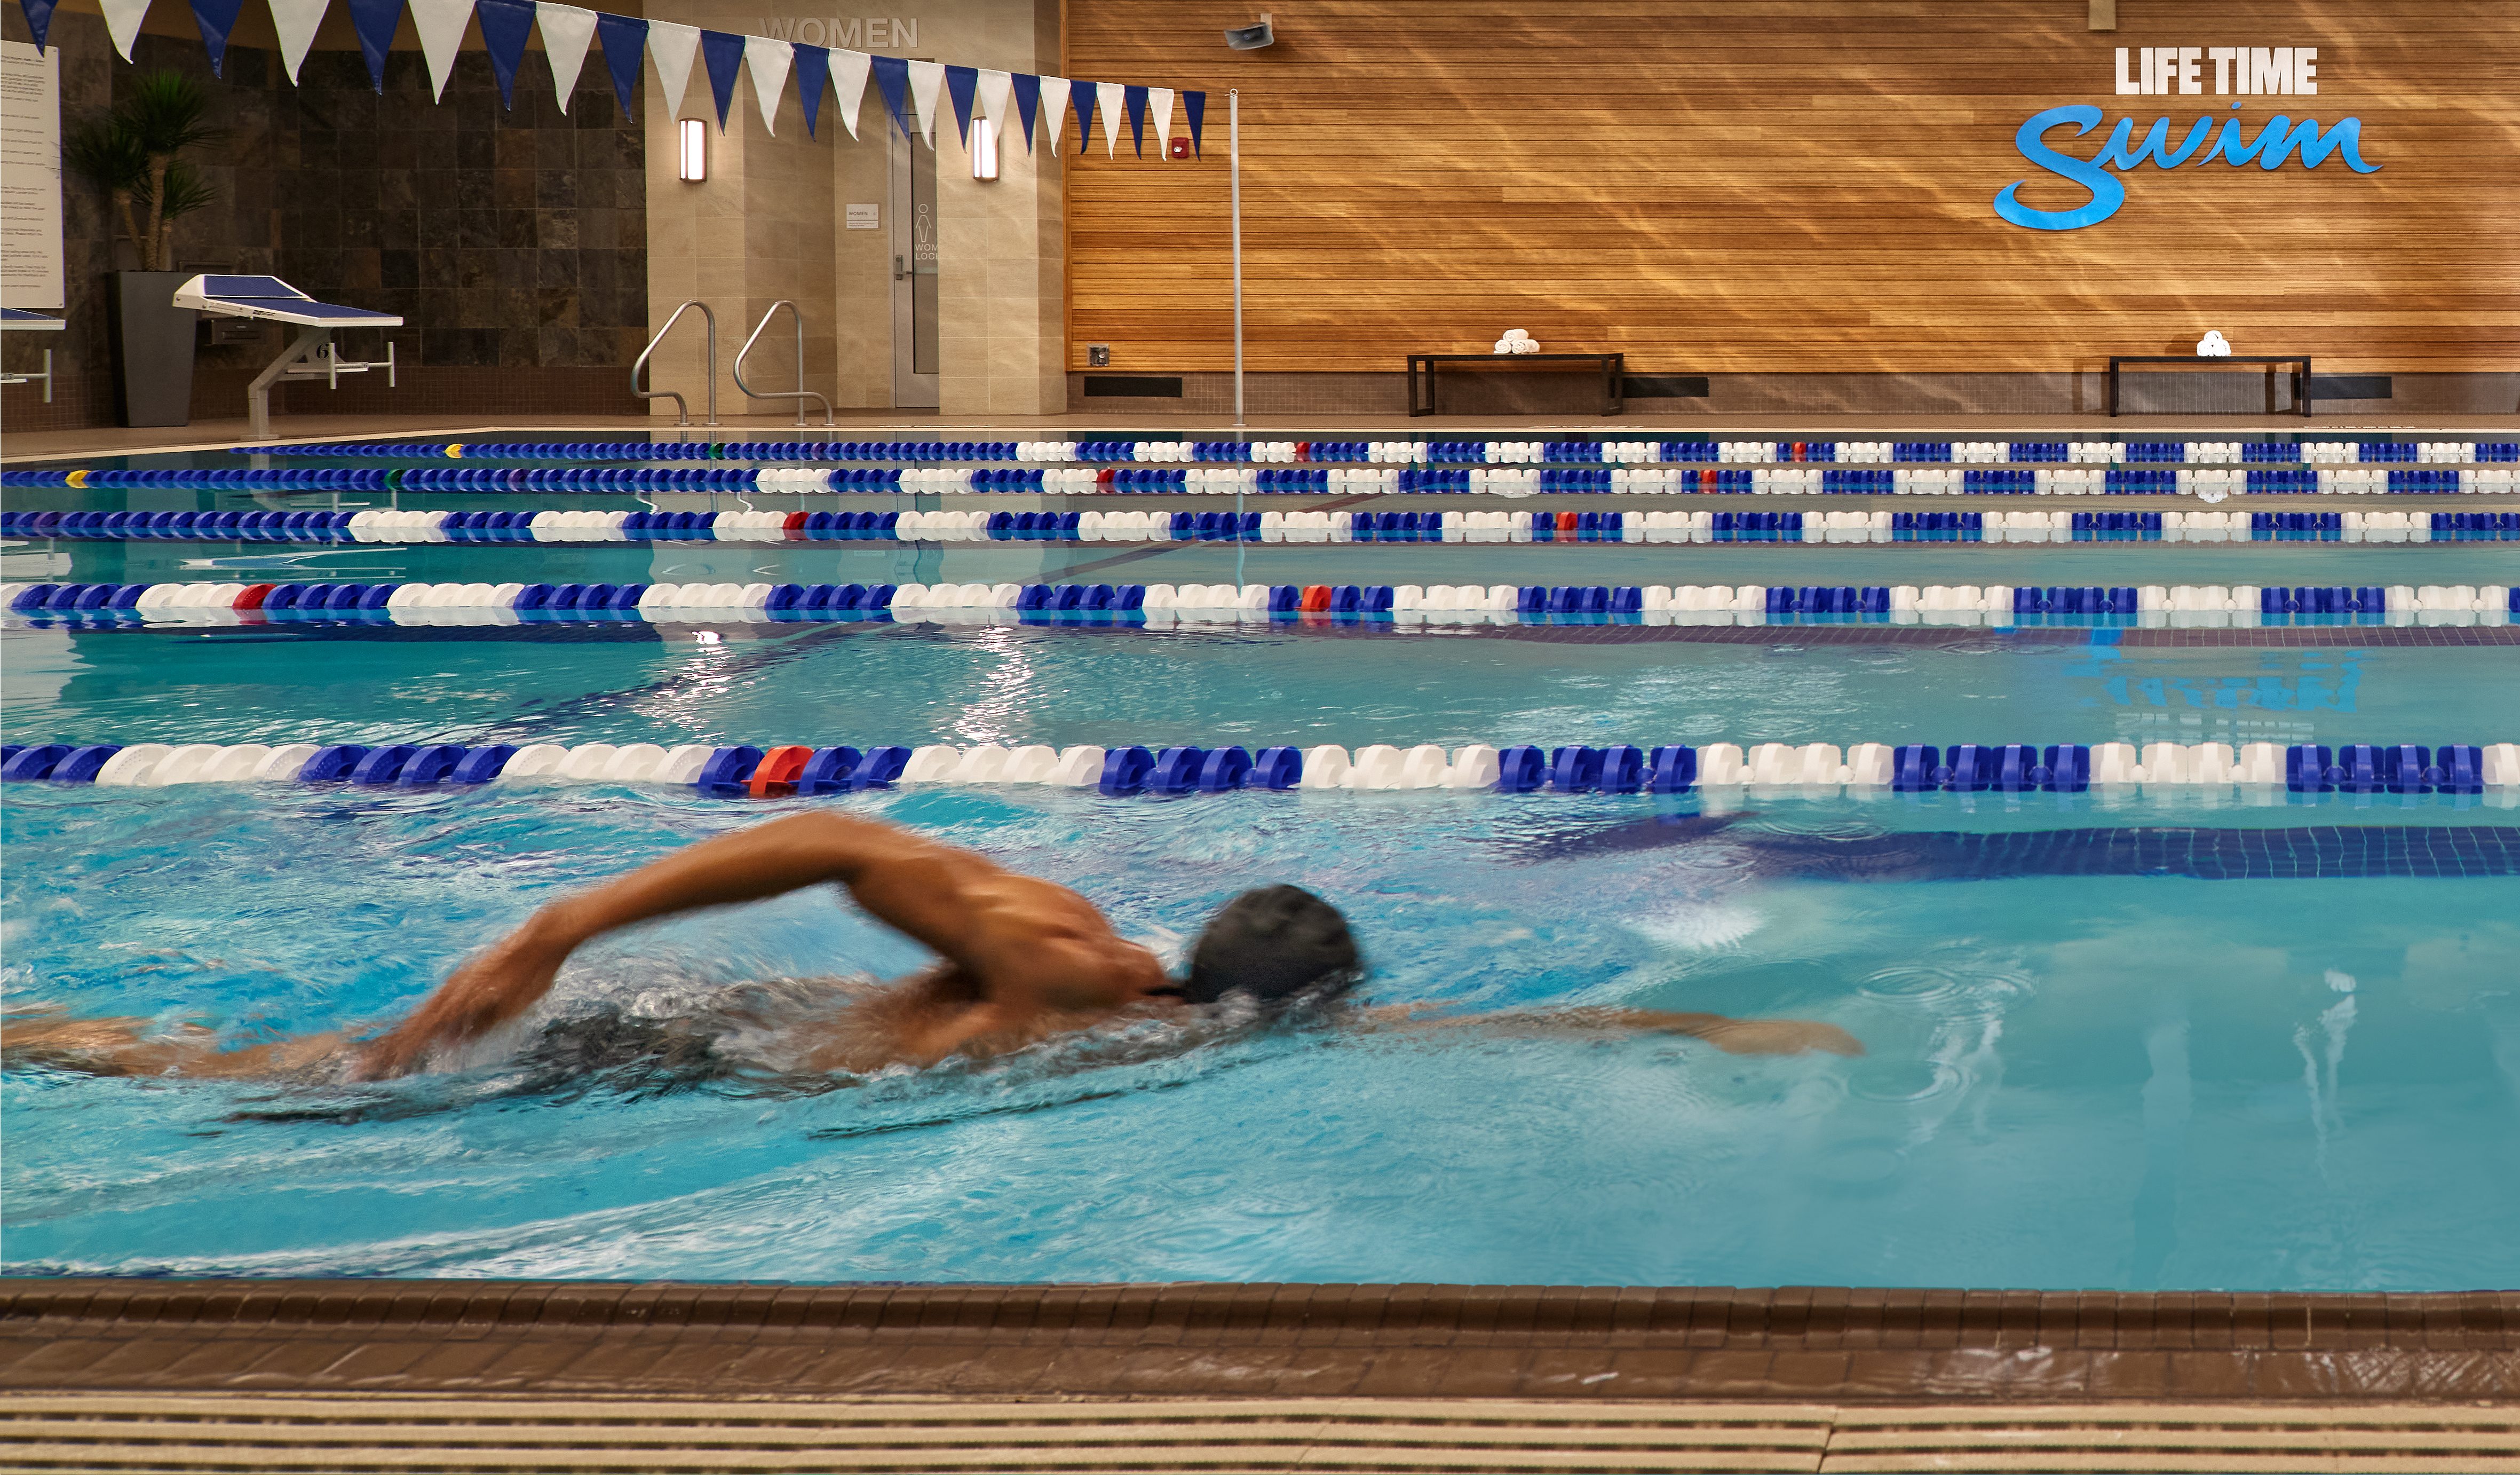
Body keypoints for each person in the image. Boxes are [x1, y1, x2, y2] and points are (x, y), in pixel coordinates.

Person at [0, 809, 1858, 1085]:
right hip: (661, 1042)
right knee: (266, 1078)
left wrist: (1686, 1023)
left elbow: (1443, 1025)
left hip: (737, 1042)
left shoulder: (1208, 1013)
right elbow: (848, 840)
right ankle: (48, 1033)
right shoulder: (1065, 963)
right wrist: (557, 923)